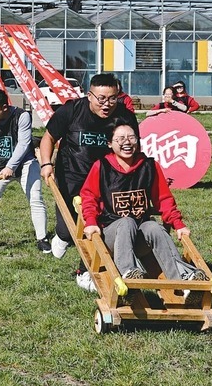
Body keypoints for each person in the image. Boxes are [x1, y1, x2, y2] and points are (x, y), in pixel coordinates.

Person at [39, 72, 139, 292]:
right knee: (68, 230)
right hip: (70, 179)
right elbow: (49, 138)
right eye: (101, 99)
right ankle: (62, 236)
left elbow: (133, 149)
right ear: (89, 95)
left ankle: (84, 271)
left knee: (95, 227)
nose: (106, 104)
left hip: (106, 182)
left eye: (112, 98)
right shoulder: (71, 111)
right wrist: (46, 164)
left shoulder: (124, 117)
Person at [80, 117, 207, 283]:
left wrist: (178, 225)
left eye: (131, 138)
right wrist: (90, 222)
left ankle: (183, 278)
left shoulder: (149, 166)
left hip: (140, 236)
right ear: (110, 143)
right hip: (112, 236)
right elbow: (89, 197)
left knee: (153, 226)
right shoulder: (101, 166)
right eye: (120, 139)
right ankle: (128, 272)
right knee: (126, 222)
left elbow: (164, 199)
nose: (127, 142)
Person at [0, 88, 50, 253]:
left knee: (35, 198)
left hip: (26, 163)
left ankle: (42, 238)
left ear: (4, 107)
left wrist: (11, 167)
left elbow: (24, 143)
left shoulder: (22, 116)